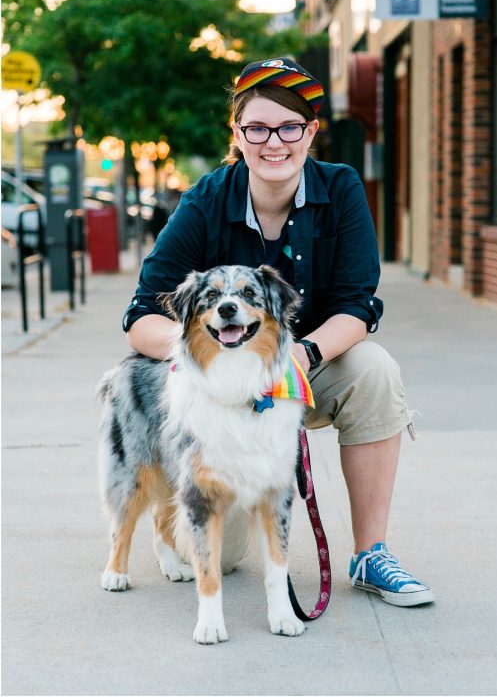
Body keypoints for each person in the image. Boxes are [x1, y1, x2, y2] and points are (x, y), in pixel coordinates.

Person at [122, 57, 433, 608]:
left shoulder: (340, 189)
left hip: (310, 368)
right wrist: (208, 368)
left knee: (376, 369)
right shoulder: (205, 200)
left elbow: (358, 306)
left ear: (311, 131)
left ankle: (370, 553)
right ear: (237, 134)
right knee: (228, 559)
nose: (274, 143)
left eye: (289, 128)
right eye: (257, 128)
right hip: (225, 392)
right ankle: (175, 526)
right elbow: (143, 315)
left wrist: (302, 355)